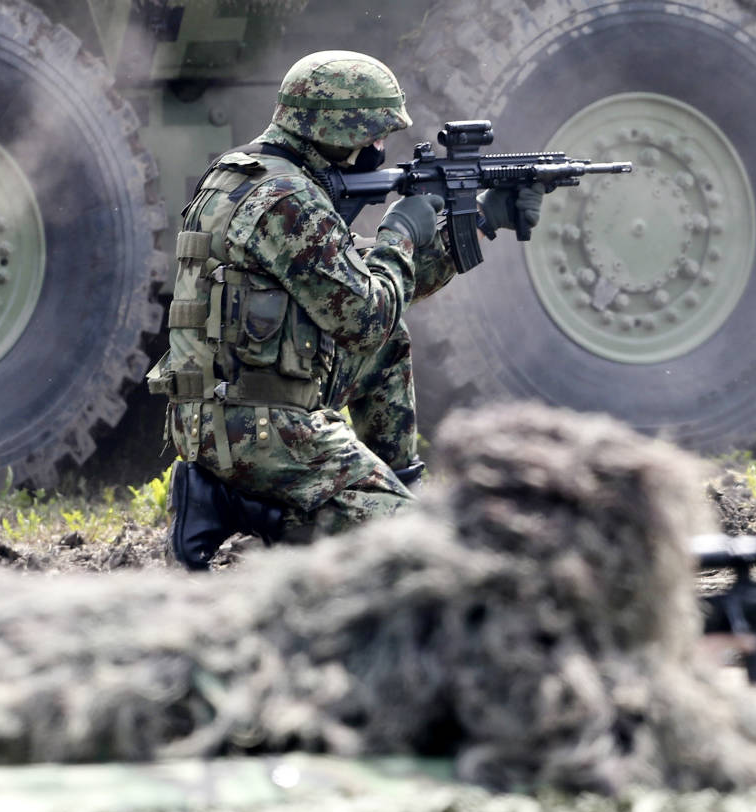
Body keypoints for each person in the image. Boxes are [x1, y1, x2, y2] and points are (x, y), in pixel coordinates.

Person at [146, 50, 545, 569]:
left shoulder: (254, 175)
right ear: (335, 129)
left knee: (390, 341)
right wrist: (399, 234)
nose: (380, 147)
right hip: (256, 433)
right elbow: (363, 317)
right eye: (373, 134)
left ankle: (393, 487)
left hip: (236, 409)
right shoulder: (286, 201)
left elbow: (356, 292)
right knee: (414, 557)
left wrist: (483, 222)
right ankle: (247, 506)